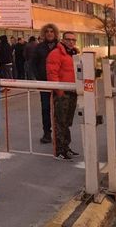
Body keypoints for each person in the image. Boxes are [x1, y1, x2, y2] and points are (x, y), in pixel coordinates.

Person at [46, 31, 79, 161]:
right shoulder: (56, 54)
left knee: (67, 122)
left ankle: (66, 146)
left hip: (72, 92)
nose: (71, 42)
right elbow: (52, 73)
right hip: (62, 93)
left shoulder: (74, 54)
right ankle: (60, 150)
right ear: (63, 40)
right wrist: (59, 91)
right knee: (60, 122)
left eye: (73, 40)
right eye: (68, 39)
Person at [32, 23, 60, 144]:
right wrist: (37, 78)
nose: (49, 33)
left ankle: (60, 134)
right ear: (44, 33)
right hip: (44, 83)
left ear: (55, 33)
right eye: (47, 31)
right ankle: (47, 133)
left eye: (52, 31)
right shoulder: (39, 48)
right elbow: (32, 64)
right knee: (45, 108)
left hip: (58, 83)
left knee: (59, 109)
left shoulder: (60, 47)